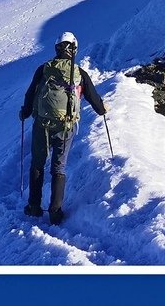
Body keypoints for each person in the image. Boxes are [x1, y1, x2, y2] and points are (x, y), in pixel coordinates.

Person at [19, 32, 107, 225]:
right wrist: (101, 110)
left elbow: (31, 93)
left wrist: (25, 112)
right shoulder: (79, 73)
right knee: (58, 167)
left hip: (42, 122)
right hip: (66, 125)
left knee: (38, 163)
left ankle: (34, 206)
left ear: (56, 48)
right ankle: (55, 211)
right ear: (74, 49)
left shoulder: (44, 70)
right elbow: (93, 97)